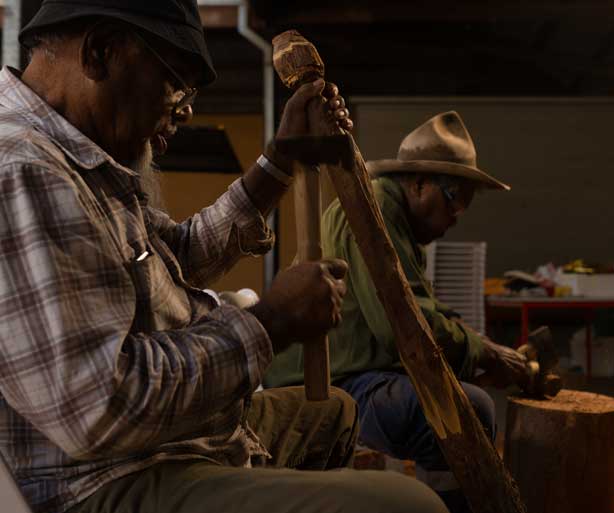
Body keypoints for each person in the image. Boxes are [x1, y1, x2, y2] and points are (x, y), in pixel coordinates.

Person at [0, 2, 448, 513]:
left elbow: (174, 260)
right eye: (175, 81)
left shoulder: (81, 158)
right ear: (101, 53)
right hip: (106, 479)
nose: (183, 109)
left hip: (163, 444)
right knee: (408, 505)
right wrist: (270, 323)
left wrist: (280, 160)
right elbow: (99, 407)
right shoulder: (23, 169)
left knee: (338, 412)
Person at [264, 111, 530, 512]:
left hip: (355, 372)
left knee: (460, 393)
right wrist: (485, 353)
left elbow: (423, 309)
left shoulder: (398, 220)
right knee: (469, 408)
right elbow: (402, 329)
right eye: (454, 200)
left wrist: (476, 348)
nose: (457, 217)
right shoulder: (375, 214)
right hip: (323, 384)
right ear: (420, 183)